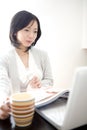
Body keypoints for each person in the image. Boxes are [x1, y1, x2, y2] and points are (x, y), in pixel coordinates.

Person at [0, 10, 53, 120]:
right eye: (26, 30)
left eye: (35, 31)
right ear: (15, 31)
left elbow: (49, 80)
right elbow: (2, 85)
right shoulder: (5, 58)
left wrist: (39, 84)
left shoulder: (43, 55)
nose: (31, 35)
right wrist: (2, 102)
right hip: (18, 111)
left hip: (41, 108)